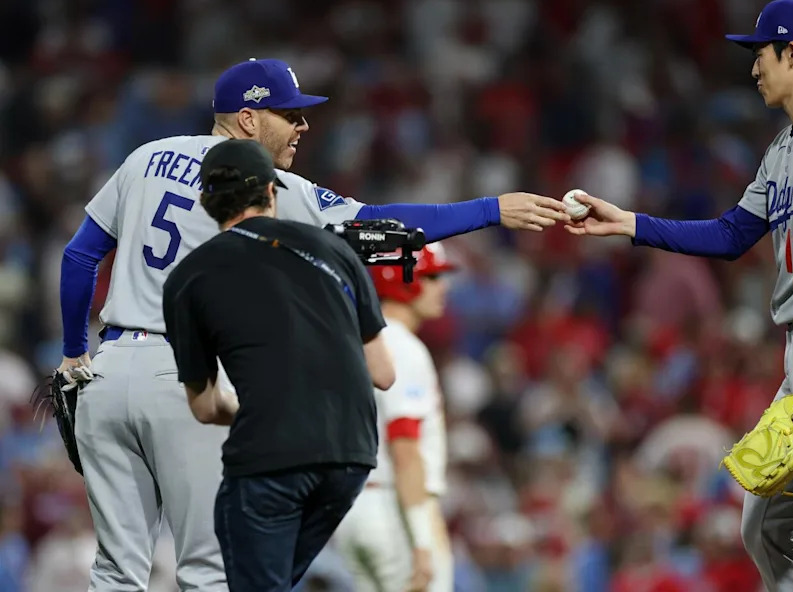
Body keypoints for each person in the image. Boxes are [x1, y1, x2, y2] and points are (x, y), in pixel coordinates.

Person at [58, 57, 568, 591]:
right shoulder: (271, 186)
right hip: (187, 377)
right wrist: (489, 209)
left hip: (108, 373)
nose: (302, 127)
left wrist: (74, 353)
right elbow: (376, 224)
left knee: (116, 571)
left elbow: (79, 256)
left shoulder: (146, 158)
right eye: (289, 114)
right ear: (249, 120)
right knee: (209, 571)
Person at [565, 0, 793, 592]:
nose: (754, 68)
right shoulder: (784, 148)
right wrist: (629, 223)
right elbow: (730, 235)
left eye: (761, 53)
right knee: (765, 526)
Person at [161, 138, 393, 591]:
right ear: (272, 190)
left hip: (271, 457)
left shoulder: (189, 276)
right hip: (350, 455)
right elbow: (383, 372)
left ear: (207, 201)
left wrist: (254, 407)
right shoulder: (335, 248)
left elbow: (206, 408)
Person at [333, 243, 456, 592]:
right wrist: (421, 538)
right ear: (403, 279)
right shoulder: (402, 348)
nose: (442, 287)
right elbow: (404, 447)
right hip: (395, 509)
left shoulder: (359, 341)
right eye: (432, 276)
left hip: (352, 508)